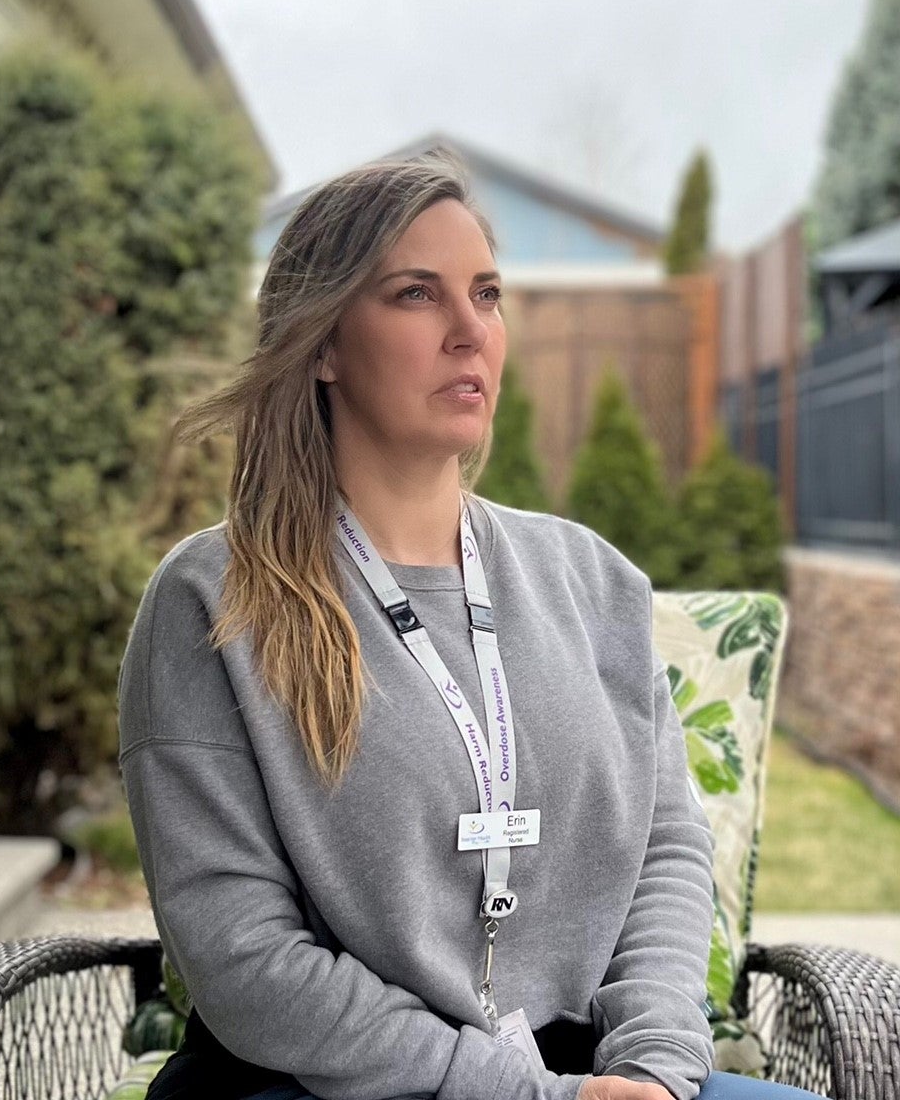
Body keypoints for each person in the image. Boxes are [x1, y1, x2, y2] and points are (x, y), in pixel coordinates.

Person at [119, 153, 823, 1100]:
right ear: (322, 344)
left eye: (486, 294)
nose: (469, 332)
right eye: (416, 294)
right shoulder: (217, 599)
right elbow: (242, 957)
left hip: (595, 1076)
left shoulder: (591, 579)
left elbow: (666, 846)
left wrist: (652, 1068)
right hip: (319, 1084)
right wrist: (521, 1092)